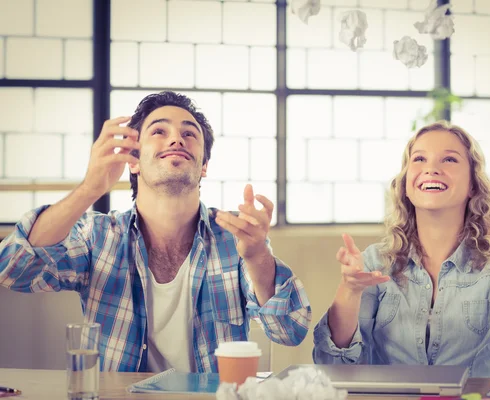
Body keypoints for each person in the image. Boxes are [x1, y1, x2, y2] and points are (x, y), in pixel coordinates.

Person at [0, 91, 311, 373]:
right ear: (133, 161)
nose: (176, 139)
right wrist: (89, 190)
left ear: (204, 166)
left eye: (190, 134)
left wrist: (258, 257)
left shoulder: (235, 236)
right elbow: (13, 269)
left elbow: (290, 329)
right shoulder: (97, 236)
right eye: (159, 131)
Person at [313, 121, 490, 378]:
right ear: (406, 185)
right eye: (419, 159)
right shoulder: (375, 261)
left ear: (472, 184)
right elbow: (331, 364)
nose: (431, 168)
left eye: (449, 159)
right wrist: (350, 290)